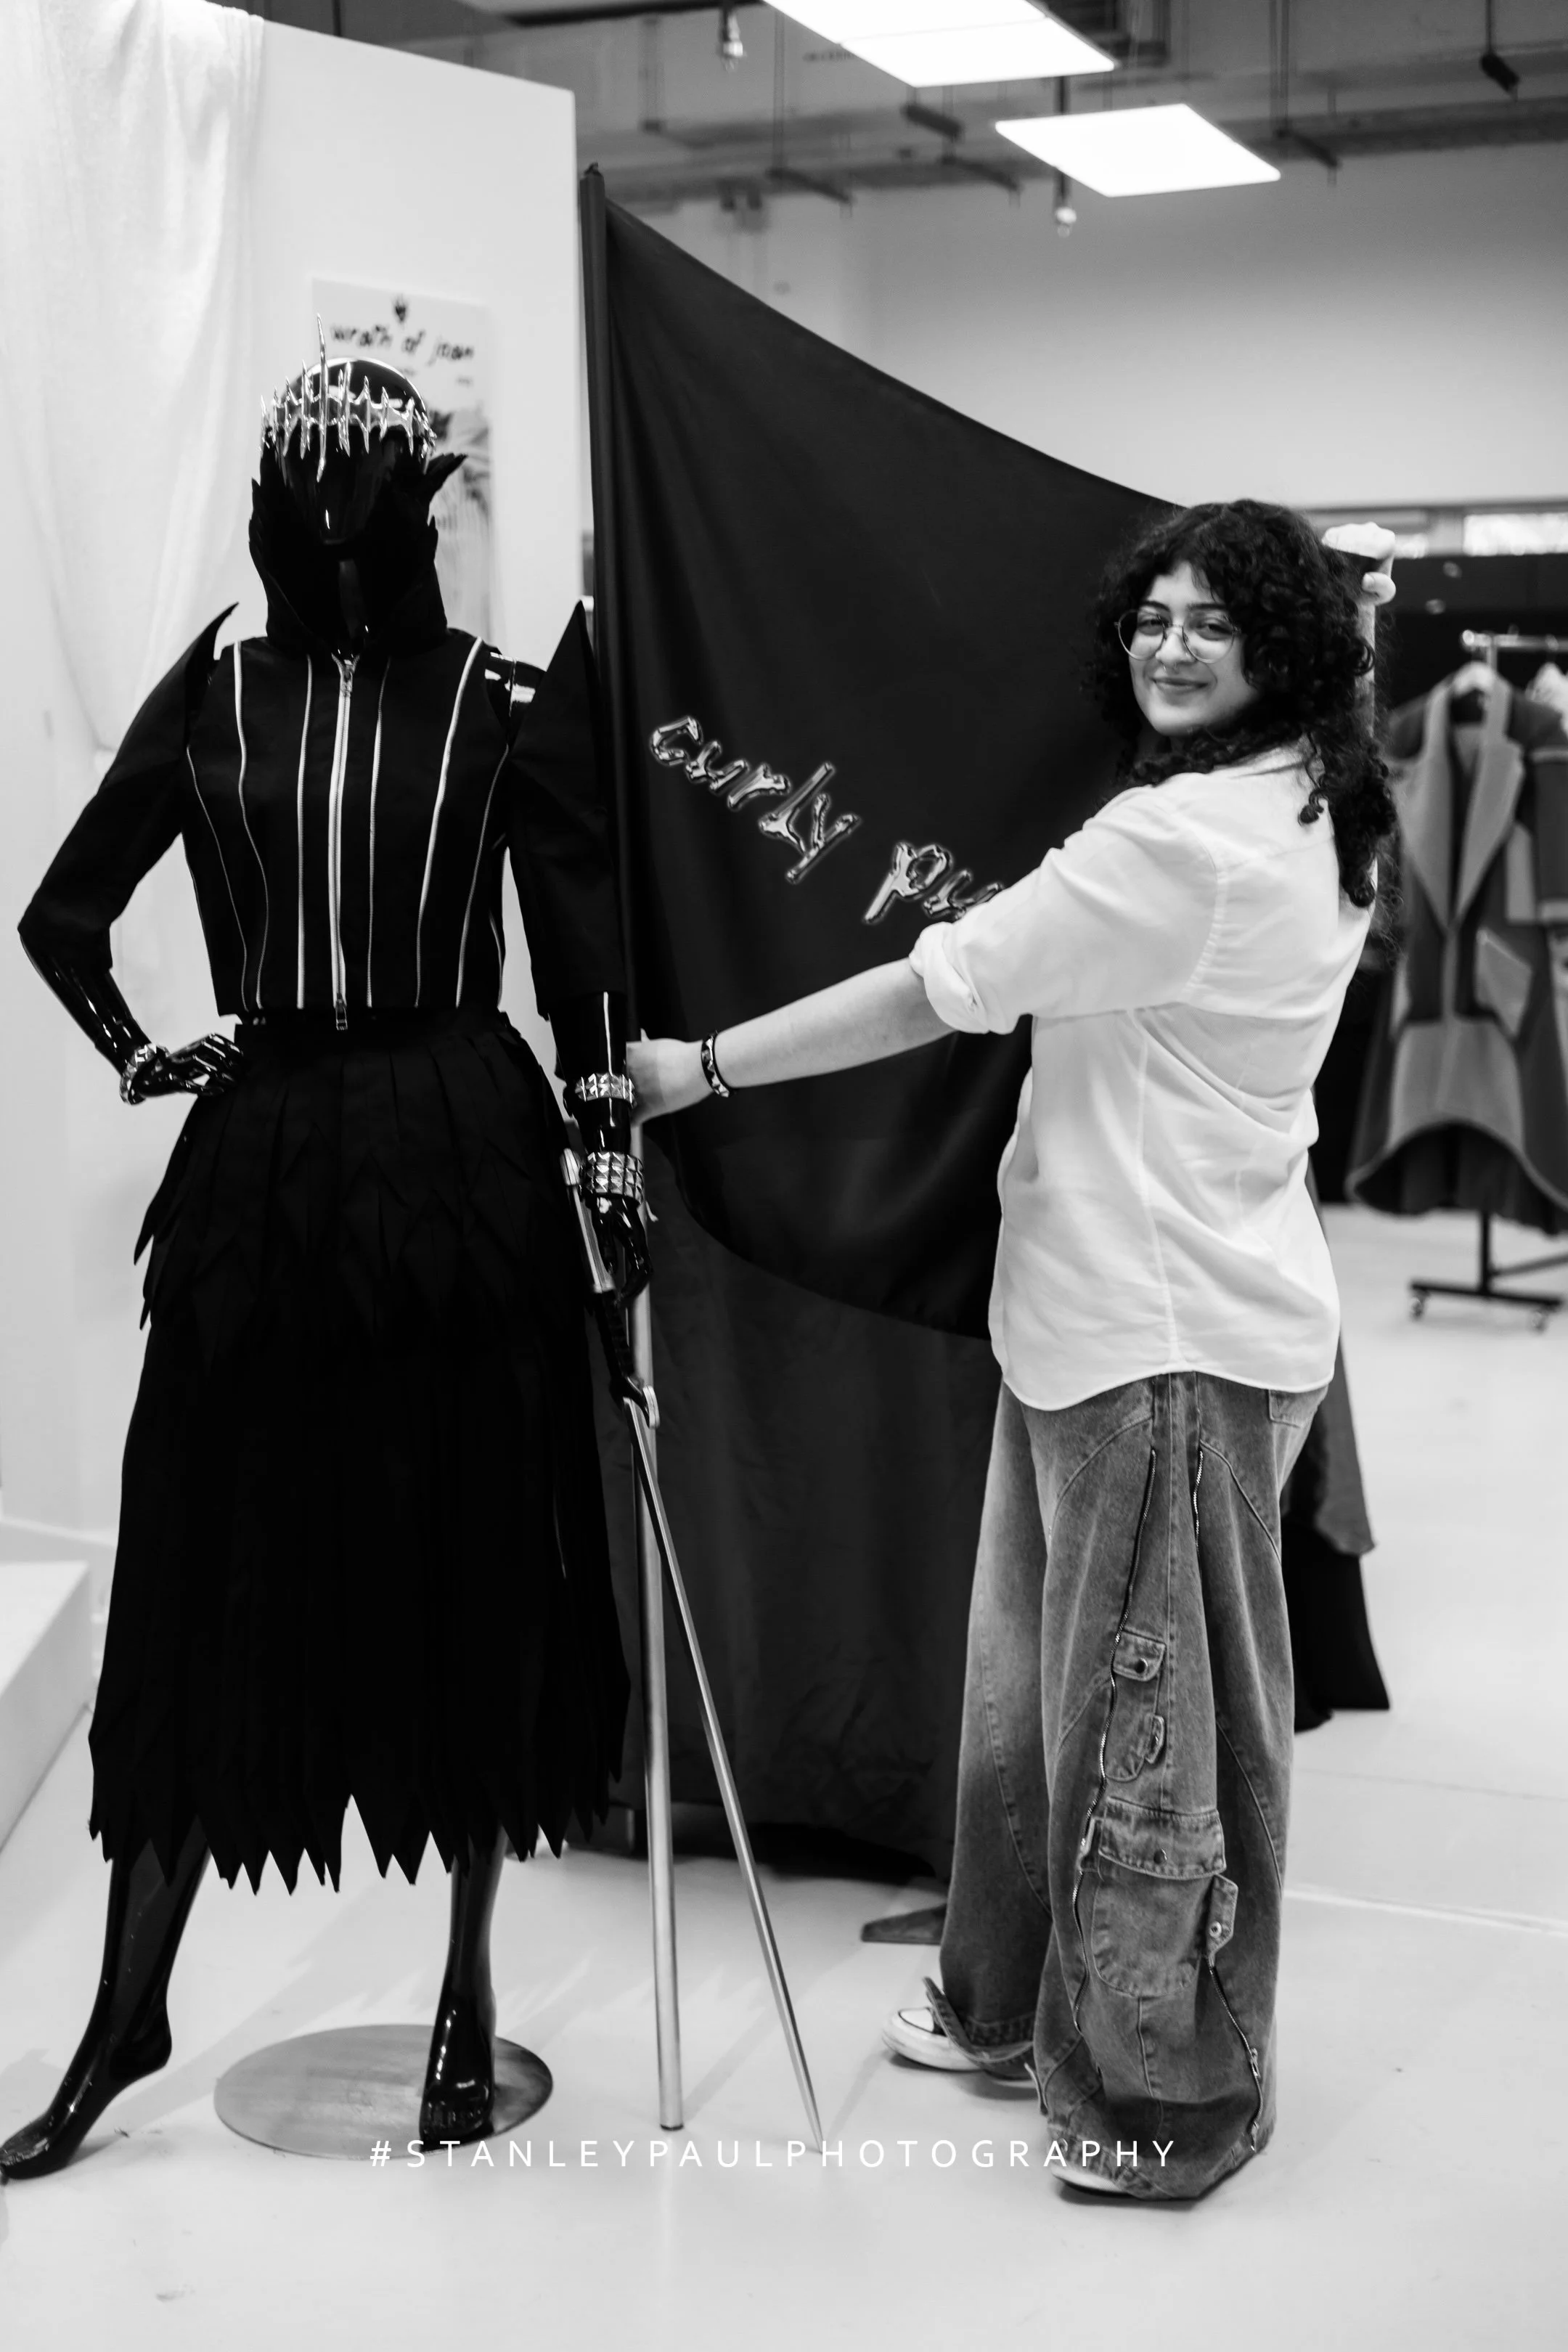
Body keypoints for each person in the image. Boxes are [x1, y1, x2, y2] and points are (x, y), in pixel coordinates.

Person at [630, 501, 1397, 2200]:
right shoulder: (1318, 804)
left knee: (1145, 1727)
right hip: (1134, 1314)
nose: (1171, 644)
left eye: (1215, 622)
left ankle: (1168, 2100)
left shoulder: (1182, 842)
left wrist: (705, 1067)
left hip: (1160, 1337)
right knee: (1029, 1692)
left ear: (1281, 649)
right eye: (1154, 616)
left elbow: (938, 986)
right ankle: (998, 2002)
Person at [1, 343, 645, 2179]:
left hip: (455, 1164)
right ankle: (129, 2009)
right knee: (207, 1571)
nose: (349, 529)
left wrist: (606, 1181)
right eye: (326, 497)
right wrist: (143, 1050)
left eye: (375, 496)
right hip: (273, 1174)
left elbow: (589, 964)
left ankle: (466, 1985)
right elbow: (62, 908)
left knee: (468, 1558)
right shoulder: (214, 692)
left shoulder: (515, 695)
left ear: (424, 504)